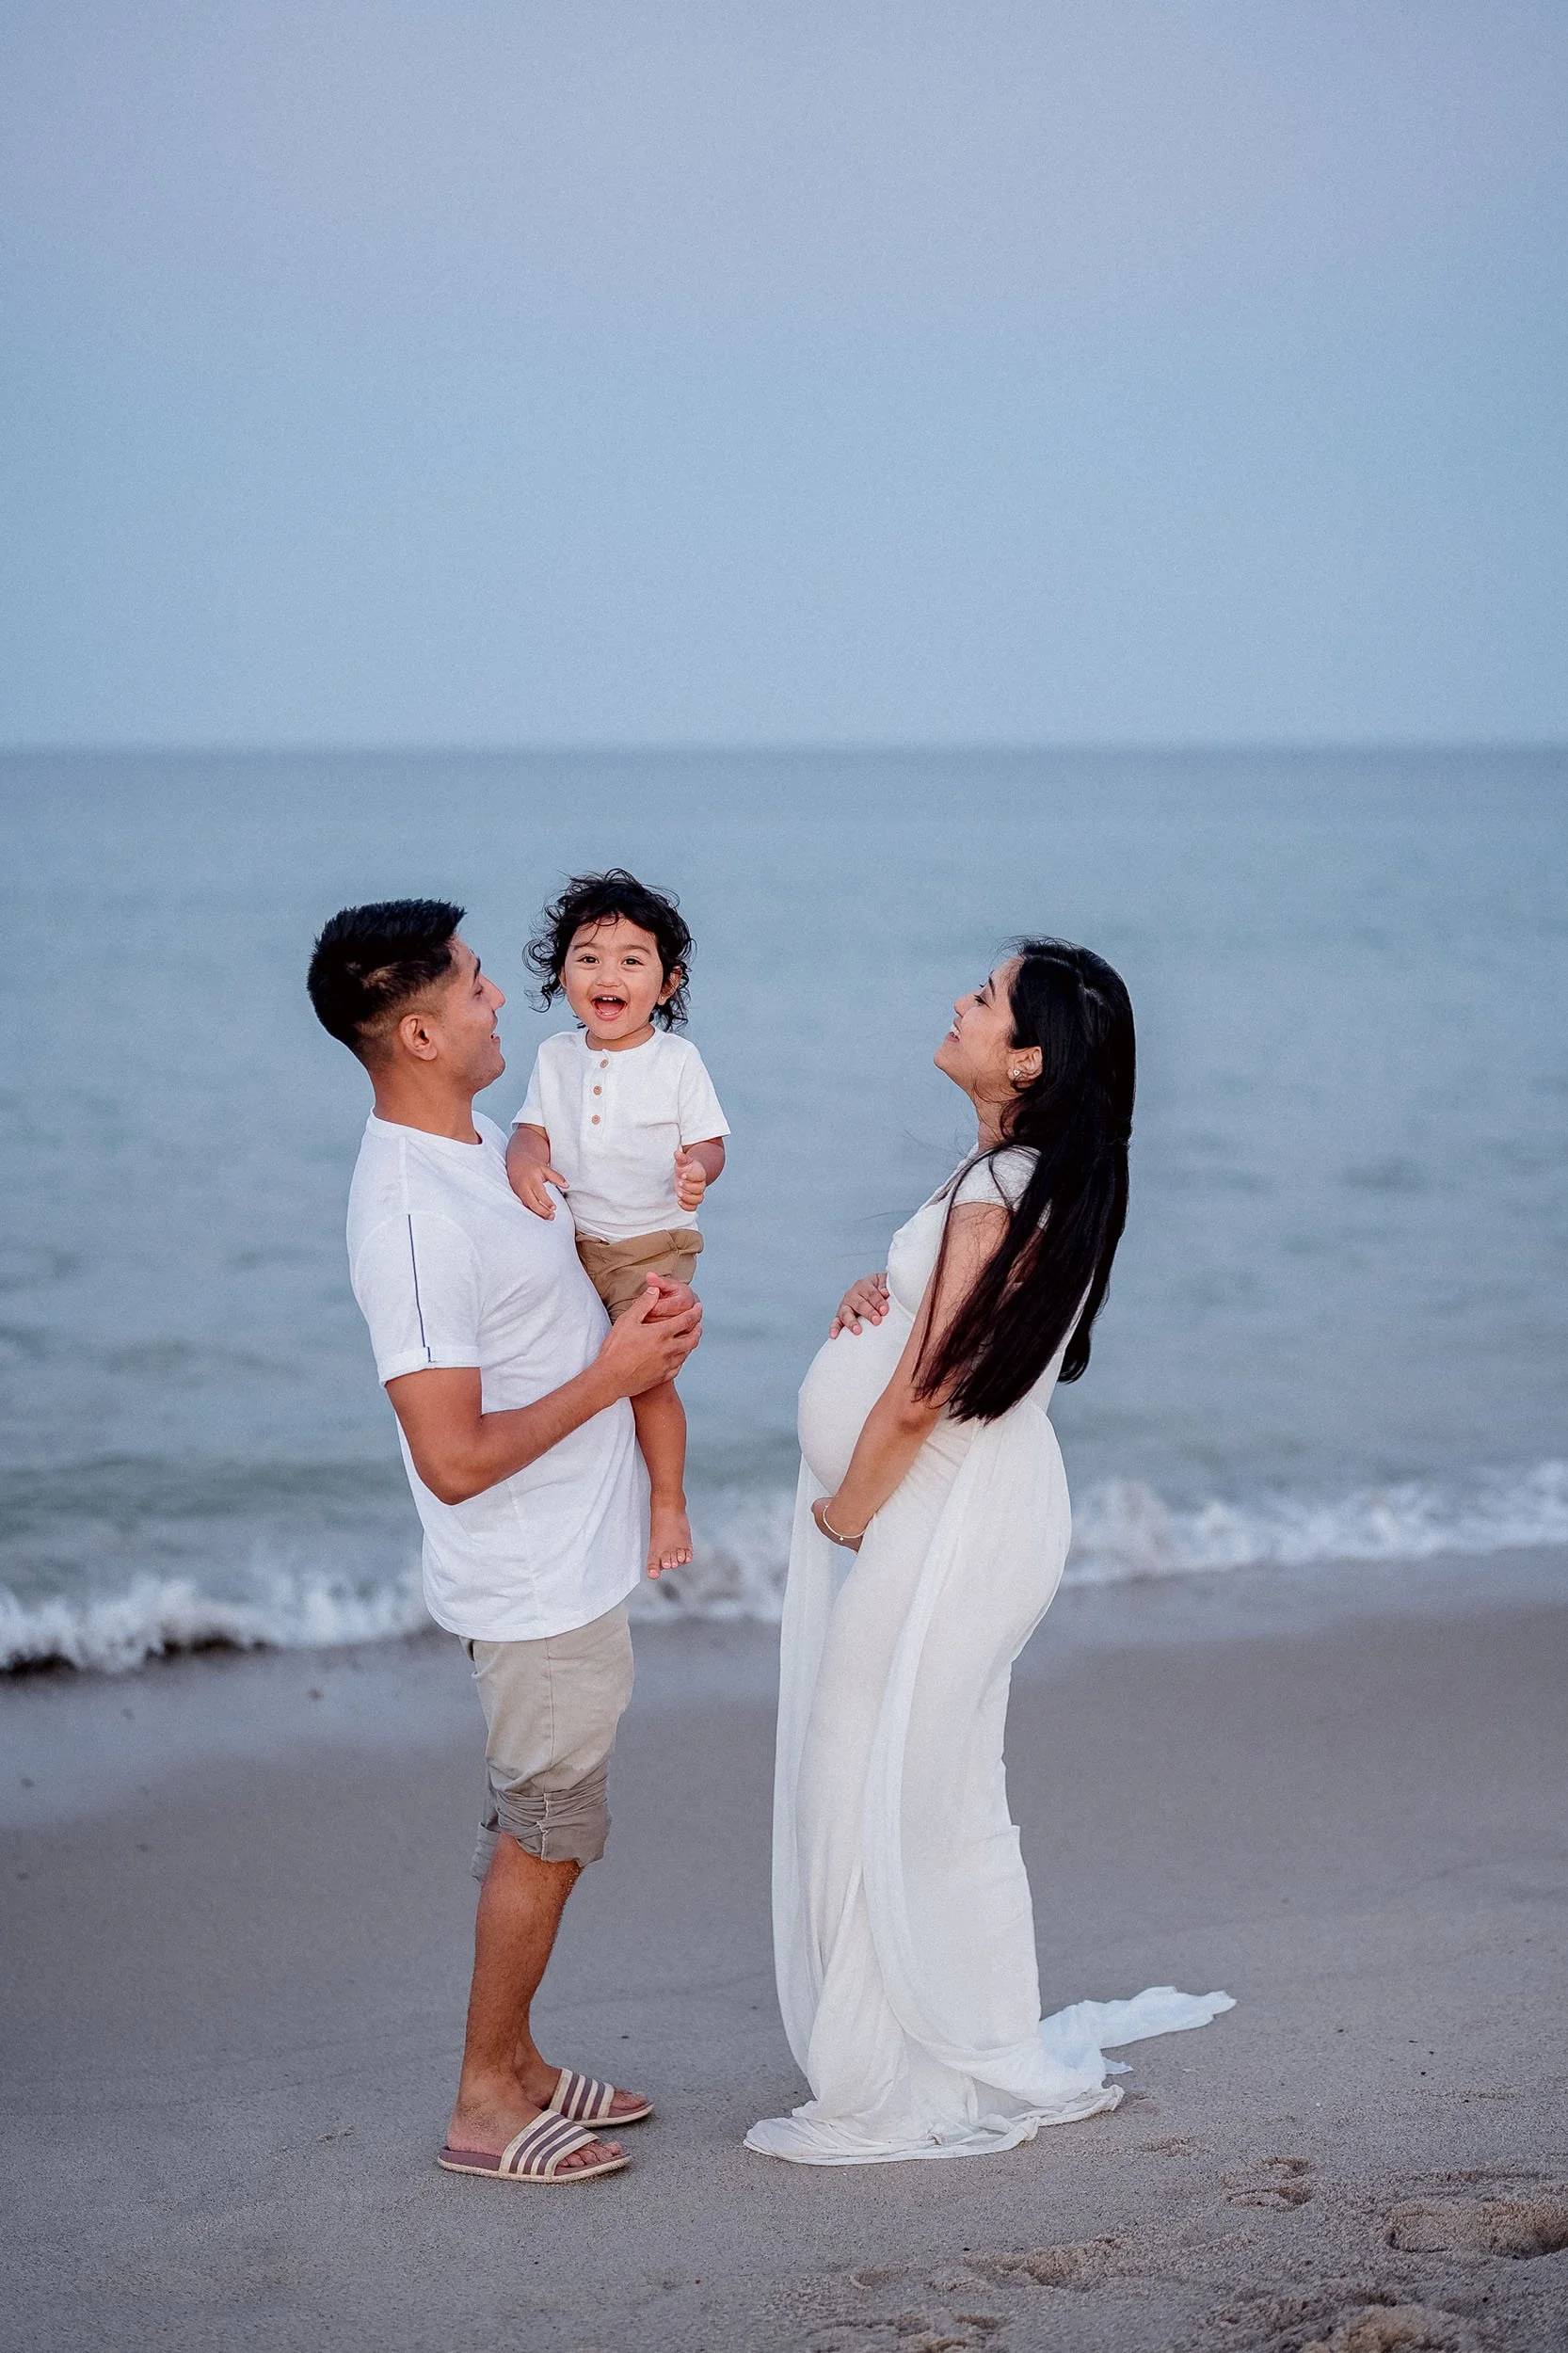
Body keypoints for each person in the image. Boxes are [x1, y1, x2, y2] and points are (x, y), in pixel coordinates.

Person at [747, 938, 1232, 2166]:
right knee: (936, 1782)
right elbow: (957, 1328)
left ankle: (896, 2074)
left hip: (942, 1512)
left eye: (982, 997)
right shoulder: (1016, 1175)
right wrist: (886, 1286)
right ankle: (947, 2039)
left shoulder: (993, 1184)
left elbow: (926, 1392)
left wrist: (844, 1511)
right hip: (990, 1508)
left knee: (859, 1783)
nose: (956, 1001)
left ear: (1023, 1059)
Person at [307, 899, 702, 2187]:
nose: (497, 998)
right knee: (549, 1825)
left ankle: (523, 2059)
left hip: (575, 1561)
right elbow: (454, 1459)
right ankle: (485, 2101)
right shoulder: (409, 1219)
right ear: (417, 1032)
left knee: (549, 1814)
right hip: (531, 1585)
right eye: (474, 984)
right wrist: (619, 1372)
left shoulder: (481, 1144)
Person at [505, 871, 728, 1578]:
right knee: (566, 1366)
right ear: (561, 973)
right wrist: (523, 1161)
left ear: (667, 984)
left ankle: (667, 1500)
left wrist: (698, 1168)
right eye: (589, 957)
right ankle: (574, 1503)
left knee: (647, 1377)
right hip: (575, 1242)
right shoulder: (554, 1058)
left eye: (633, 960)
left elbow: (713, 1143)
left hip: (652, 1246)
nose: (610, 973)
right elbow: (530, 1133)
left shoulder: (677, 1060)